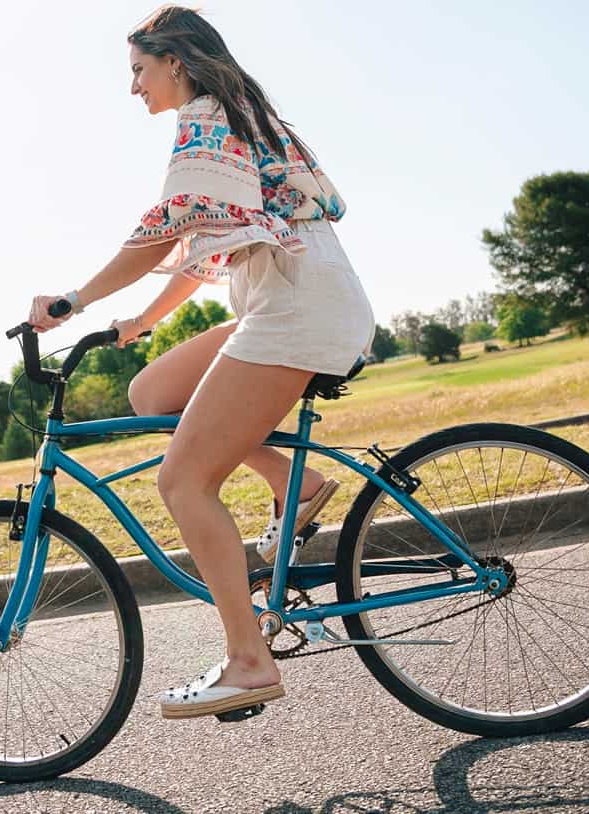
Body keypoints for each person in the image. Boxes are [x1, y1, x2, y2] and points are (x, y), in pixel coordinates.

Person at [27, 6, 374, 719]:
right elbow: (203, 234)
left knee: (183, 480)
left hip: (295, 314)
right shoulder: (236, 113)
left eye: (137, 70)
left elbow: (168, 229)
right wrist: (142, 323)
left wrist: (74, 300)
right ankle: (296, 484)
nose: (133, 88)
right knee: (154, 389)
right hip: (290, 305)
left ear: (174, 61)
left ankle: (249, 662)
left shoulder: (209, 115)